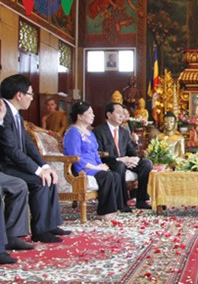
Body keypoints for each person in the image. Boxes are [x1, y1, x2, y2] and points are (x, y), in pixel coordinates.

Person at [0, 74, 70, 243]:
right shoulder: (4, 113)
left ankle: (49, 224)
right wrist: (38, 171)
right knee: (39, 180)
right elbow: (10, 150)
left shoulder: (16, 113)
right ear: (19, 95)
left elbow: (28, 145)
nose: (32, 98)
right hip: (6, 166)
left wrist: (44, 166)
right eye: (30, 94)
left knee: (49, 175)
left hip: (16, 164)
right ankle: (40, 230)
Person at [63, 101, 126, 220]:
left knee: (115, 175)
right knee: (107, 177)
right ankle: (104, 212)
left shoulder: (90, 133)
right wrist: (96, 168)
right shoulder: (73, 132)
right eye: (90, 113)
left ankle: (115, 208)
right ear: (80, 116)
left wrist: (101, 165)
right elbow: (74, 157)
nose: (93, 115)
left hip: (94, 167)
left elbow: (95, 154)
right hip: (81, 169)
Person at [93, 102, 152, 210]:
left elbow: (130, 150)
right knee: (120, 165)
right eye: (118, 113)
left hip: (125, 161)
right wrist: (120, 159)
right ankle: (122, 202)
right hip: (109, 162)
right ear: (109, 115)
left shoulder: (124, 132)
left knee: (146, 164)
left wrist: (134, 159)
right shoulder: (99, 131)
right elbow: (100, 153)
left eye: (123, 114)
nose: (122, 116)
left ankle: (142, 200)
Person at [0, 99, 33, 254]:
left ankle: (12, 236)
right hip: (6, 166)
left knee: (19, 185)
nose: (32, 98)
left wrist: (0, 119)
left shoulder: (8, 115)